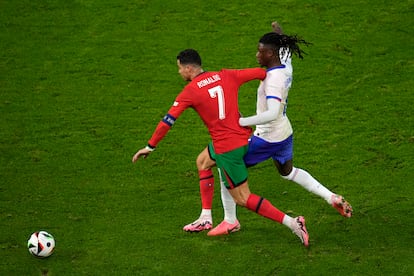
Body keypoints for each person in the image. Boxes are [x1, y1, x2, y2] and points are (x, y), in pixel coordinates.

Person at [183, 22, 353, 237]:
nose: (257, 55)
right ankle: (331, 197)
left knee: (225, 165)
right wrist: (280, 35)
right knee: (288, 172)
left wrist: (241, 122)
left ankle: (230, 220)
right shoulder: (284, 67)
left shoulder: (272, 80)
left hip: (266, 139)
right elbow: (286, 53)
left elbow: (272, 112)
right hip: (284, 134)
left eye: (261, 51)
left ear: (271, 53)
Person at [132, 48, 310, 247]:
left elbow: (167, 122)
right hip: (242, 138)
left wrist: (150, 146)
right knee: (202, 162)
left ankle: (293, 223)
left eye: (179, 68)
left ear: (188, 68)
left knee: (243, 198)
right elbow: (261, 73)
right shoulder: (226, 75)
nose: (179, 72)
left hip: (227, 148)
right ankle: (205, 217)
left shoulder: (189, 92)